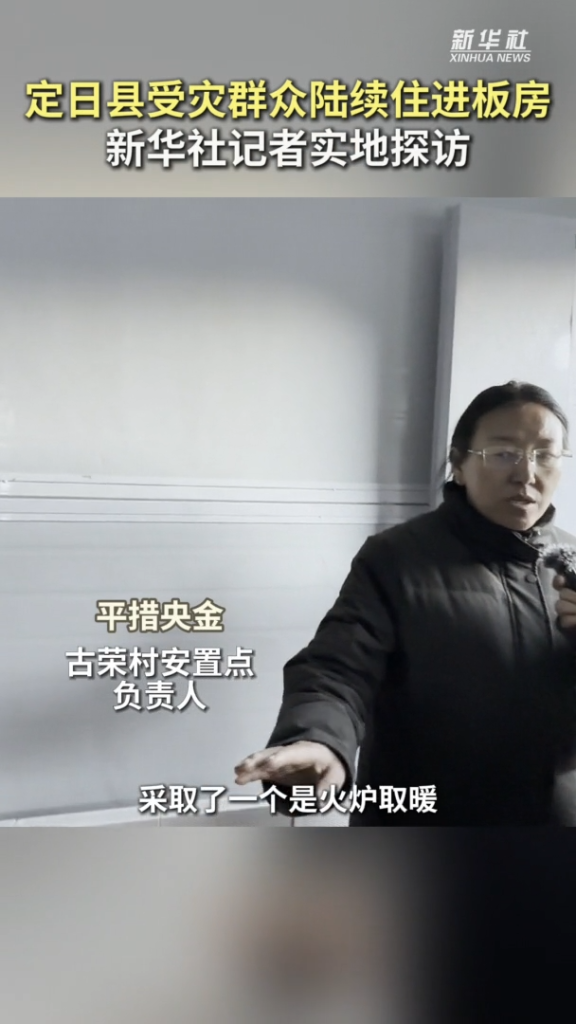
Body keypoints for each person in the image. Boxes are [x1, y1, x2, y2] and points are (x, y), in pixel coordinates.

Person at [235, 381, 576, 825]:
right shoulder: (397, 558)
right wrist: (319, 740)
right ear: (458, 464)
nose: (526, 474)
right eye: (503, 453)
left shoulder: (570, 562)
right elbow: (338, 668)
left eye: (546, 455)